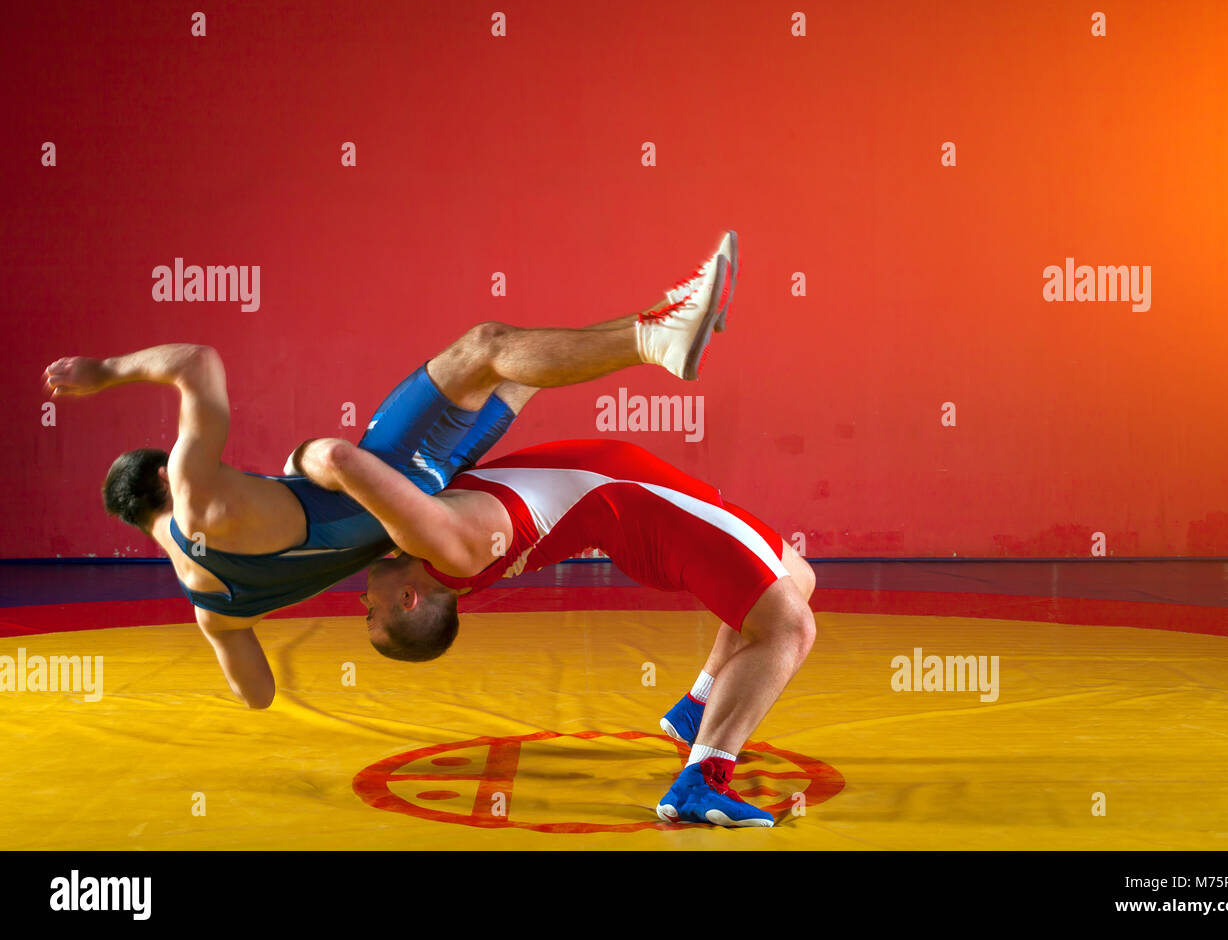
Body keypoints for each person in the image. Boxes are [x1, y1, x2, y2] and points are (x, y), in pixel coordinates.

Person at [42, 232, 738, 709]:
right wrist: (103, 373)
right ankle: (659, 334)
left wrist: (244, 624)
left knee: (518, 373)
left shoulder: (212, 611)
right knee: (485, 346)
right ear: (164, 476)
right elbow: (197, 363)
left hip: (415, 506)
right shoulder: (194, 500)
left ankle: (670, 321)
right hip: (383, 472)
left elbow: (255, 696)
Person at [292, 436, 816, 828]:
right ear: (409, 601)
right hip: (642, 506)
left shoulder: (439, 550)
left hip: (642, 495)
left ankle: (698, 707)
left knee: (797, 578)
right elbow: (340, 460)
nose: (361, 601)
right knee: (789, 626)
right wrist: (292, 475)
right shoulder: (439, 544)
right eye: (370, 614)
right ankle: (703, 780)